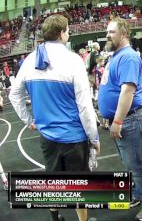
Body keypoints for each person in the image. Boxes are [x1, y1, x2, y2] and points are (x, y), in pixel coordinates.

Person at [8, 14, 100, 221]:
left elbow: (14, 94)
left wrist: (28, 119)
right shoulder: (73, 60)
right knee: (78, 185)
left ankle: (55, 217)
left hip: (47, 136)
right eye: (68, 30)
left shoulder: (30, 60)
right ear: (62, 33)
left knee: (52, 180)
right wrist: (94, 138)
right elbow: (85, 106)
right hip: (74, 137)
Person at [97, 18, 142, 221]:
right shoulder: (116, 56)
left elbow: (127, 92)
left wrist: (117, 121)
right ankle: (138, 194)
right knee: (128, 162)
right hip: (124, 120)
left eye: (111, 31)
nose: (107, 35)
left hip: (130, 120)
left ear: (123, 33)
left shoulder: (129, 57)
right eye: (107, 31)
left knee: (136, 165)